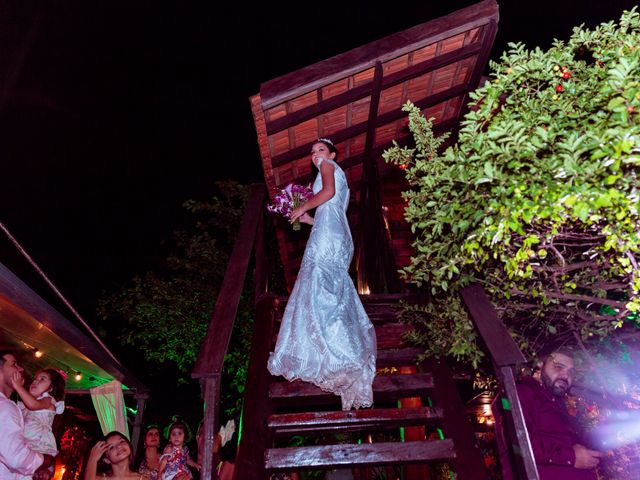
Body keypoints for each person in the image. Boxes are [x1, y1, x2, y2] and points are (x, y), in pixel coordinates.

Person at [267, 138, 377, 411]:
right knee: (328, 286)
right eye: (312, 152)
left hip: (330, 236)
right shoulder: (336, 174)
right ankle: (338, 347)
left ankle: (336, 351)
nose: (316, 155)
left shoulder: (329, 166)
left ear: (332, 154)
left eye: (320, 150)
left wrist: (303, 206)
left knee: (319, 282)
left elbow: (327, 193)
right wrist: (307, 219)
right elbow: (332, 210)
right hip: (335, 232)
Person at [513, 346, 603, 479]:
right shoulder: (521, 393)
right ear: (541, 365)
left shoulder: (559, 403)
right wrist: (571, 457)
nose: (566, 376)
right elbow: (519, 444)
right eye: (558, 367)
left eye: (571, 372)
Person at [0, 349, 55, 480]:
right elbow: (17, 458)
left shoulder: (47, 400)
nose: (21, 369)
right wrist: (47, 461)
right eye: (14, 364)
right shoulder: (5, 407)